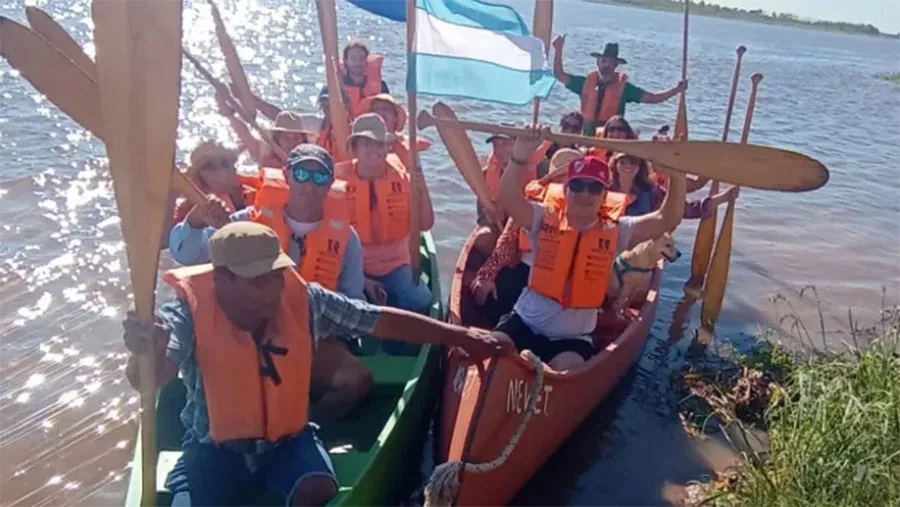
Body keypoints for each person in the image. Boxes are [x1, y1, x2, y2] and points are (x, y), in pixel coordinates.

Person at [123, 222, 514, 506]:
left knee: (318, 489)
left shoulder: (305, 299)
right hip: (214, 451)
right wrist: (148, 351)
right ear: (222, 279)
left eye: (276, 273)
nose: (275, 286)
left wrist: (466, 337)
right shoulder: (187, 315)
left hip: (287, 441)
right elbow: (150, 379)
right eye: (258, 279)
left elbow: (380, 319)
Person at [170, 145, 375, 420]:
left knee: (356, 381)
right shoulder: (244, 223)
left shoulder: (347, 239)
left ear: (330, 184)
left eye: (320, 177)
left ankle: (301, 424)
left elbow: (355, 301)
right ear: (288, 176)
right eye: (302, 174)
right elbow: (186, 254)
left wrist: (321, 321)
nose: (309, 185)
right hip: (249, 332)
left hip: (312, 334)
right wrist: (195, 220)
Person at [494, 129, 686, 372]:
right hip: (524, 321)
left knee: (566, 370)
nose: (585, 193)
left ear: (604, 195)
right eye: (578, 186)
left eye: (594, 188)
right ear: (566, 190)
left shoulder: (617, 230)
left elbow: (665, 219)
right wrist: (520, 154)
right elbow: (509, 198)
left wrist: (677, 175)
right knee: (494, 349)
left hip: (571, 340)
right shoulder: (542, 217)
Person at [334, 114, 435, 315]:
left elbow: (425, 223)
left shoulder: (405, 178)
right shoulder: (337, 183)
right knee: (350, 309)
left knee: (420, 299)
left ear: (387, 147)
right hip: (353, 268)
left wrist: (420, 184)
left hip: (395, 266)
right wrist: (362, 280)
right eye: (366, 144)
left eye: (379, 144)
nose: (374, 150)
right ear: (354, 149)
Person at [470, 148, 582, 324]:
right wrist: (487, 275)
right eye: (561, 178)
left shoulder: (591, 212)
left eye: (573, 182)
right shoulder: (533, 203)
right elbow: (507, 242)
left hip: (570, 277)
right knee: (492, 298)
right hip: (526, 268)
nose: (565, 185)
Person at [552, 37, 686, 136]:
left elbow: (653, 98)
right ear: (598, 62)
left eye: (610, 62)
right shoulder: (584, 83)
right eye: (603, 61)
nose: (606, 64)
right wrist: (558, 49)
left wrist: (676, 90)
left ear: (616, 64)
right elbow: (559, 75)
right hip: (586, 134)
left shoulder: (625, 88)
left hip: (611, 134)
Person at [608, 151, 738, 218]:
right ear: (615, 164)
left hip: (640, 256)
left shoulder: (653, 193)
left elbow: (685, 209)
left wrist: (723, 198)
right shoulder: (603, 191)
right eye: (623, 162)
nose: (628, 166)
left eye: (633, 162)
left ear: (640, 166)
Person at [172, 141, 252, 224]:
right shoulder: (187, 211)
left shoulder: (255, 195)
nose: (220, 170)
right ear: (199, 176)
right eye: (210, 166)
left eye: (224, 162)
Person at [319, 40, 390, 119]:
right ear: (346, 61)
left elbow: (389, 113)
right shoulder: (334, 85)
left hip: (370, 128)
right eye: (353, 58)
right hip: (342, 127)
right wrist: (338, 100)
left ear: (366, 61)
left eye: (361, 58)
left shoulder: (381, 87)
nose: (358, 62)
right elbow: (323, 104)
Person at [361, 93, 431, 168]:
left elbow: (419, 177)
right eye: (374, 110)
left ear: (395, 118)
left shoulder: (410, 146)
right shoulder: (357, 145)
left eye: (385, 109)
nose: (380, 113)